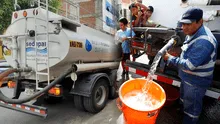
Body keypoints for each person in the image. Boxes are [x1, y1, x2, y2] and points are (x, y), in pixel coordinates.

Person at [163, 8, 218, 124]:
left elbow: (189, 65)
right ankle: (183, 113)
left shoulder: (204, 41)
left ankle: (189, 120)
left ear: (200, 22)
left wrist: (171, 58)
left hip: (196, 82)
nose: (184, 27)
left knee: (192, 108)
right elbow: (188, 49)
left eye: (188, 24)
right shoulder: (194, 32)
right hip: (187, 78)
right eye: (183, 24)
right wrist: (179, 54)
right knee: (184, 100)